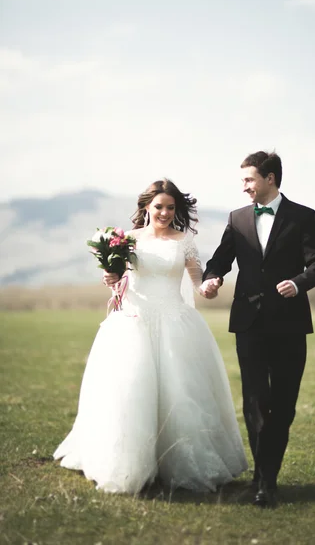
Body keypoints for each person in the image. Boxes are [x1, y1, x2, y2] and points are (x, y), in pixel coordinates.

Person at [53, 179, 247, 494]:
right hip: (133, 323)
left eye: (171, 207)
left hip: (175, 323)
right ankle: (127, 463)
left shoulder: (184, 241)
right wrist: (110, 276)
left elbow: (198, 283)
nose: (165, 213)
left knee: (181, 393)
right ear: (146, 207)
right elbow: (117, 278)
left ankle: (177, 461)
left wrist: (209, 288)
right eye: (159, 206)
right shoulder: (126, 240)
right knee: (129, 392)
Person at [200, 151, 315, 507]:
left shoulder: (303, 216)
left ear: (270, 178)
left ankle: (263, 478)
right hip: (249, 323)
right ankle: (264, 482)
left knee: (284, 405)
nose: (243, 187)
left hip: (290, 323)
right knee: (256, 402)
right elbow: (220, 260)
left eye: (249, 180)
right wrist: (212, 280)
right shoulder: (237, 218)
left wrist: (299, 282)